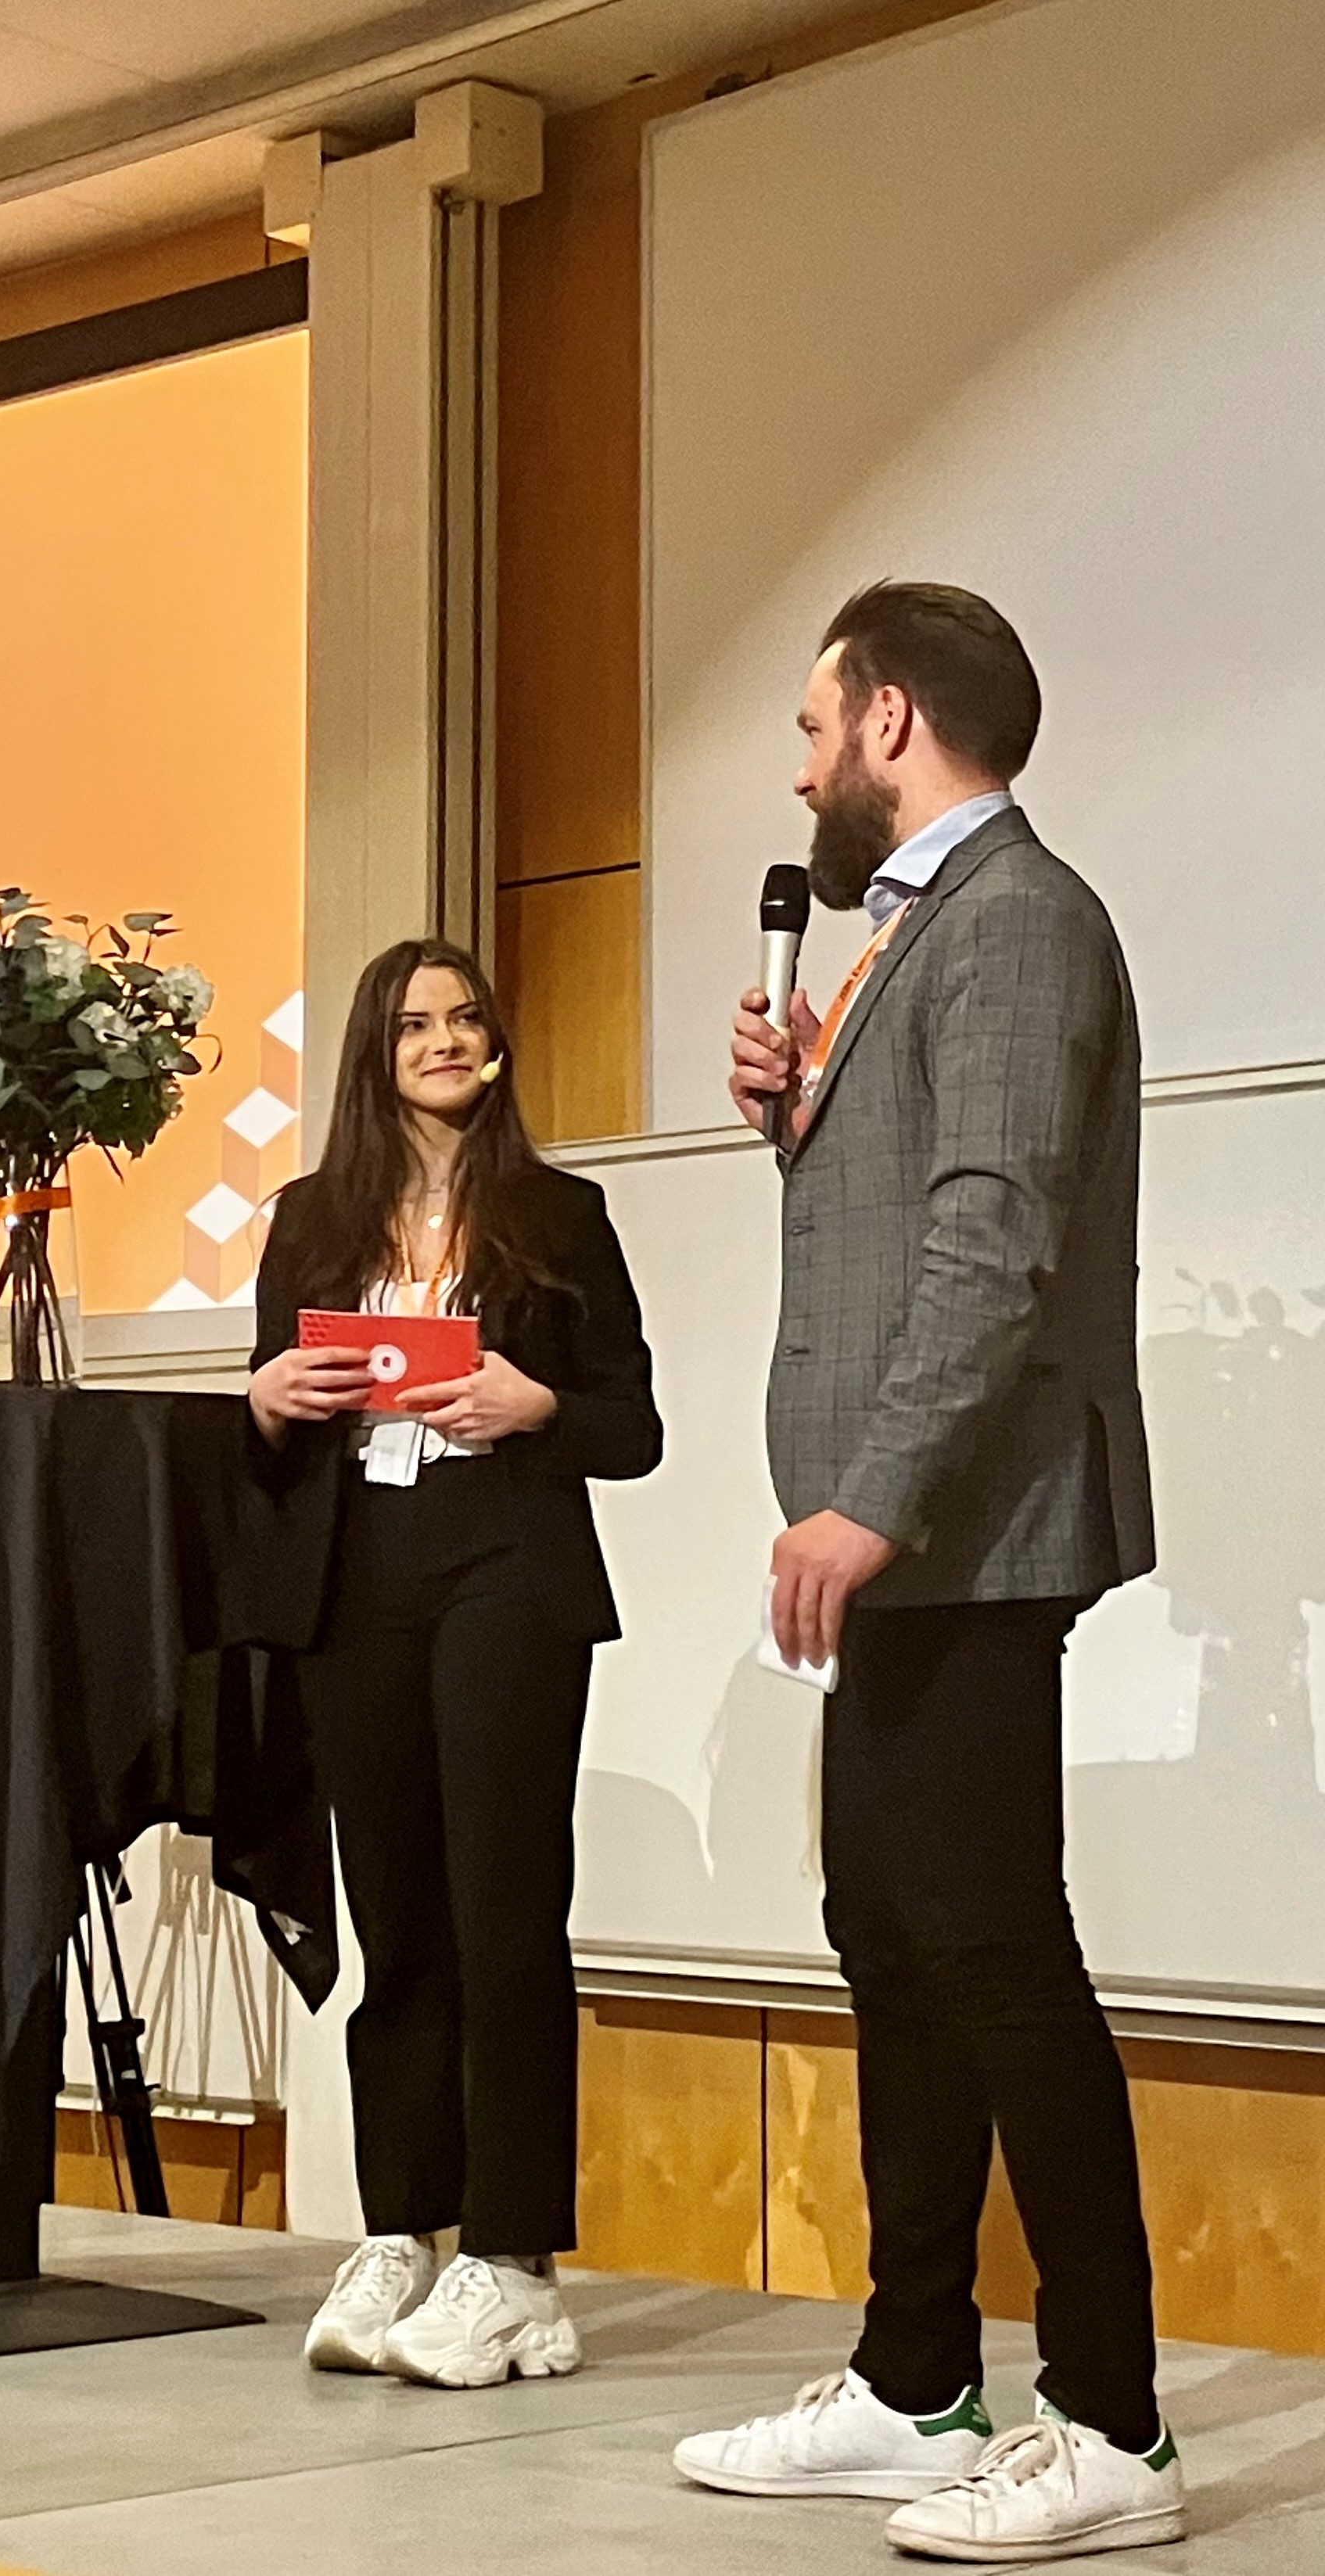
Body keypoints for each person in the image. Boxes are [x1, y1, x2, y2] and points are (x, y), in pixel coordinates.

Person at [674, 587, 1184, 2558]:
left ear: (889, 718)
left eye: (811, 727)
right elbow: (912, 1203)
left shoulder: (1015, 920)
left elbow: (993, 1241)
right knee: (886, 1933)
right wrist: (792, 1111)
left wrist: (870, 1497)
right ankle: (912, 2382)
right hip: (915, 1538)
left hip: (967, 1530)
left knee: (988, 1946)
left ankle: (1113, 2425)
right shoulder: (918, 929)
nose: (799, 767)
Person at [246, 938, 661, 2390]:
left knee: (503, 1910)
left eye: (464, 1016)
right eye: (414, 1022)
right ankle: (401, 2234)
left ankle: (516, 2257)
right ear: (374, 1050)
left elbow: (633, 1423)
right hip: (360, 1576)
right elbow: (269, 1429)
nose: (441, 1039)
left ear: (494, 1043)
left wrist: (536, 1402)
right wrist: (267, 1396)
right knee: (399, 1921)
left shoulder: (559, 1213)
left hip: (507, 1570)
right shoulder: (311, 1218)